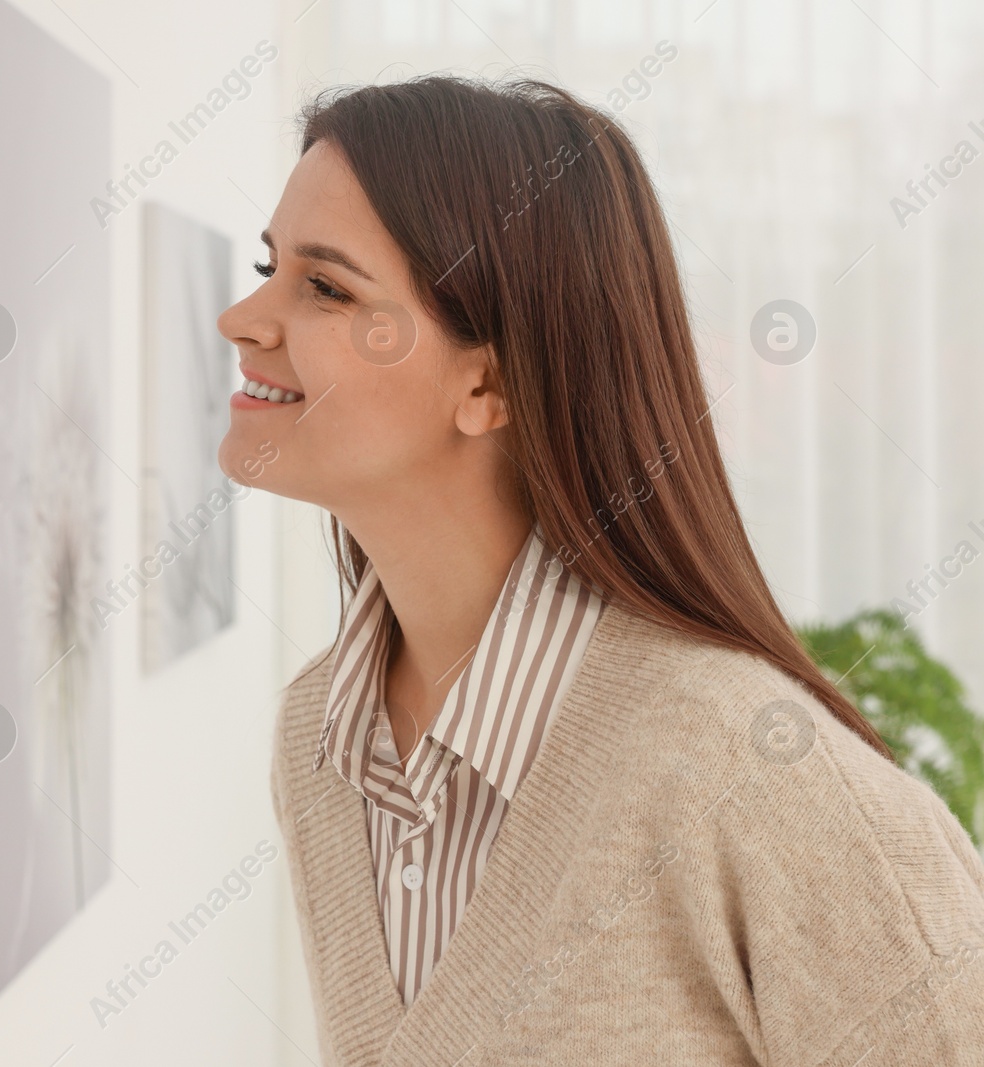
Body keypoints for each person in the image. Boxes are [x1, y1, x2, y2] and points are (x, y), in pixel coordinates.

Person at [216, 75, 984, 1065]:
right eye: (267, 266)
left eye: (323, 286)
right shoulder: (319, 741)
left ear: (487, 381)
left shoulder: (752, 773)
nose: (242, 316)